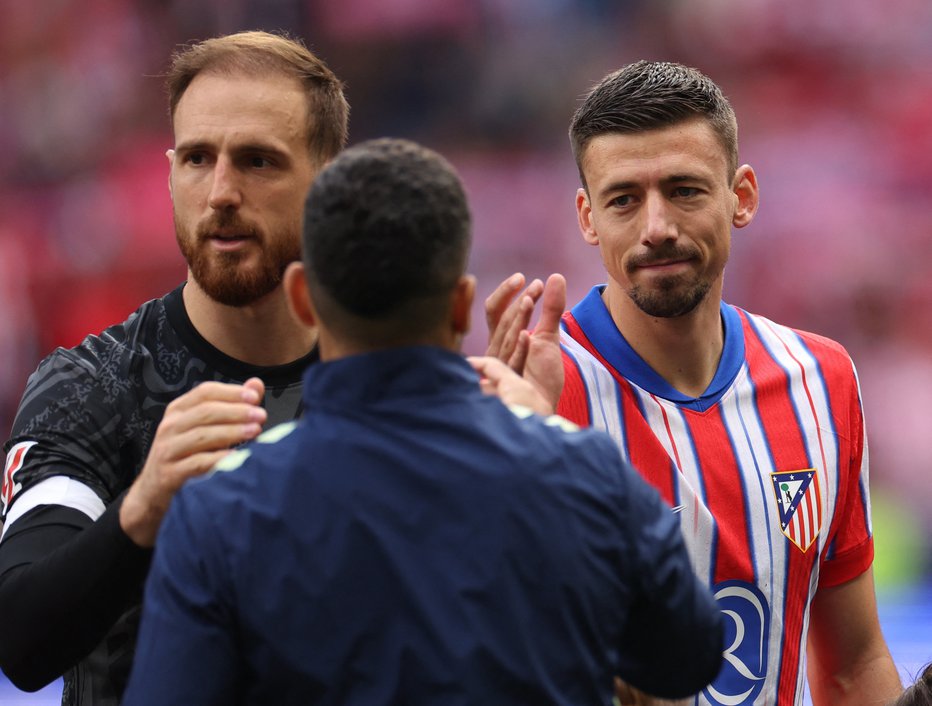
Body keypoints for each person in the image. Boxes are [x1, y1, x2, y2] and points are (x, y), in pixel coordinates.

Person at [121, 137, 725, 705]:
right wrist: (545, 434)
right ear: (462, 304)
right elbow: (688, 658)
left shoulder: (220, 511)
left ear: (303, 296)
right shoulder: (585, 473)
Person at [485, 61, 903, 706]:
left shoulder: (821, 380)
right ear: (587, 217)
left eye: (684, 190)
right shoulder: (533, 393)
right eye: (624, 198)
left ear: (742, 196)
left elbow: (853, 664)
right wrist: (504, 457)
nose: (656, 227)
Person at [0, 30, 349, 705]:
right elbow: (20, 639)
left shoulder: (388, 382)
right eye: (197, 158)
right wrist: (142, 509)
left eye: (257, 161)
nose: (220, 192)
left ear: (332, 182)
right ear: (169, 173)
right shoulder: (92, 388)